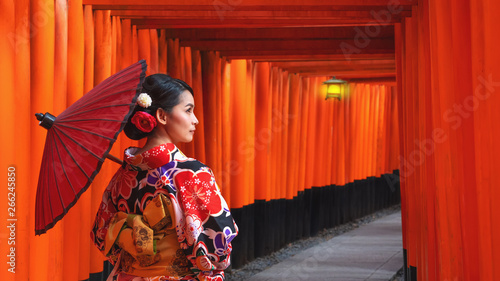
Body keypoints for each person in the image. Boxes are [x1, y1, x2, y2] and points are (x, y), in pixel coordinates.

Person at [91, 74, 238, 281]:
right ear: (161, 115)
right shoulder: (190, 173)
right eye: (188, 110)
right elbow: (218, 244)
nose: (195, 119)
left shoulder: (122, 175)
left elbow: (101, 236)